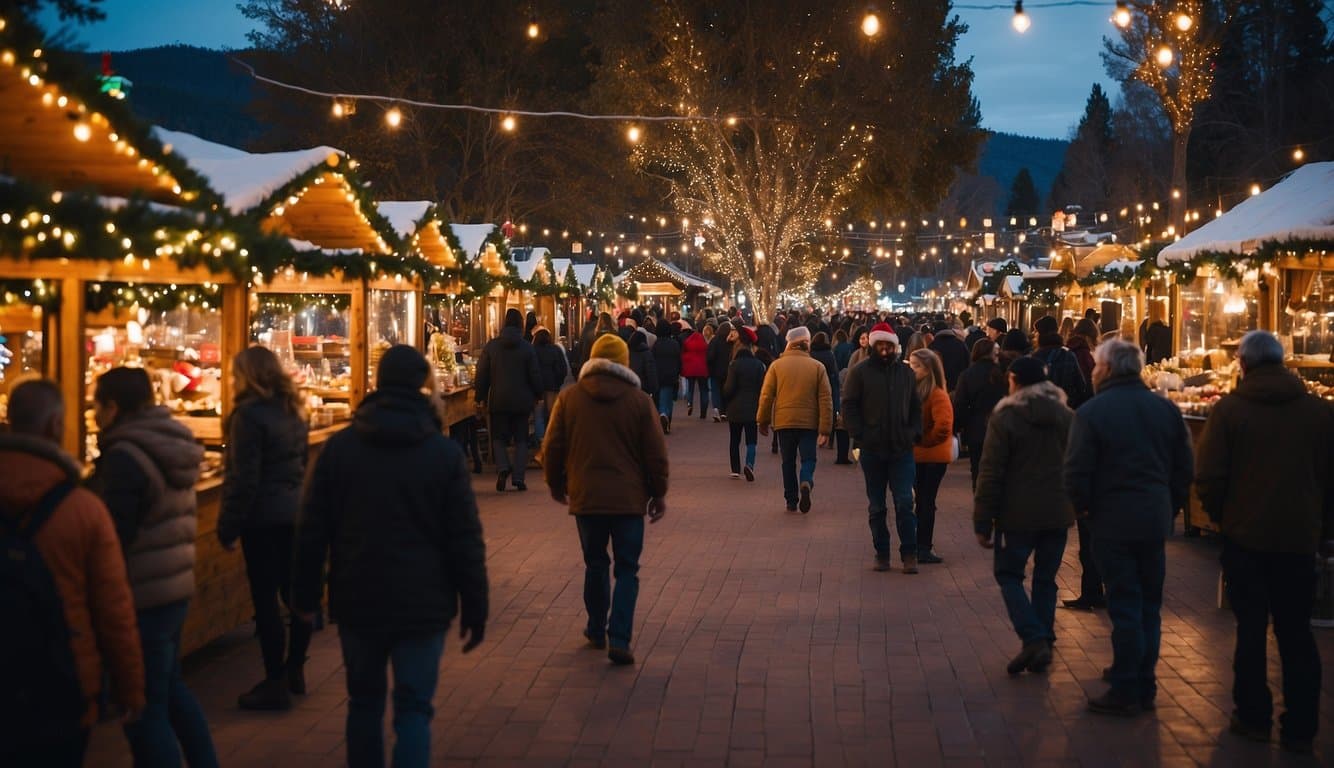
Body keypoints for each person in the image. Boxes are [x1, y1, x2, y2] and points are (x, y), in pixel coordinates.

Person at [294, 345, 488, 768]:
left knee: (363, 704)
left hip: (358, 595)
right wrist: (475, 604)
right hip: (424, 601)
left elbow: (312, 532)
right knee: (414, 709)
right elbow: (465, 539)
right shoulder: (443, 455)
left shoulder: (340, 450)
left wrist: (306, 599)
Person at [1194, 330, 1334, 753]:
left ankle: (1253, 715)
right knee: (1296, 634)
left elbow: (1210, 478)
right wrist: (1321, 527)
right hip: (1298, 539)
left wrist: (1225, 519)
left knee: (1250, 629)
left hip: (1245, 539)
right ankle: (1301, 726)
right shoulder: (1319, 413)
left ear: (1244, 364)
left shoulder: (1230, 411)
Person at [0, 380, 144, 768]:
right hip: (62, 682)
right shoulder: (83, 510)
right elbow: (113, 610)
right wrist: (129, 688)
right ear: (55, 426)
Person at [88, 367, 218, 767]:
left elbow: (114, 535)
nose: (93, 413)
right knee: (171, 692)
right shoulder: (167, 439)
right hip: (171, 588)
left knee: (144, 712)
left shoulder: (126, 455)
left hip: (142, 592)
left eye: (97, 403)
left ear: (113, 407)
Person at [1065, 339, 1193, 716]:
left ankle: (1125, 684)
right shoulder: (1164, 410)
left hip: (1112, 519)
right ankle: (1144, 679)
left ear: (1105, 369)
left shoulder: (1092, 413)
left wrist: (1085, 510)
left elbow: (1076, 471)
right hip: (1153, 517)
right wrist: (1169, 506)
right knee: (1149, 604)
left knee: (1124, 602)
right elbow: (1184, 468)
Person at [541, 334, 669, 666]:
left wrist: (555, 483)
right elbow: (655, 454)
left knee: (596, 563)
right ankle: (620, 636)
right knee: (628, 569)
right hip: (629, 500)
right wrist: (659, 493)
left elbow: (553, 446)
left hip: (587, 496)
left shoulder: (570, 399)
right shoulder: (640, 401)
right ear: (625, 362)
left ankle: (597, 628)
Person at [216, 346, 312, 711]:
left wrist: (227, 527)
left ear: (247, 375)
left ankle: (275, 680)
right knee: (296, 595)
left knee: (267, 602)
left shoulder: (247, 417)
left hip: (263, 519)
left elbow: (244, 478)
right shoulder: (293, 410)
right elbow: (300, 463)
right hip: (295, 514)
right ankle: (295, 668)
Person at [973, 357, 1075, 676]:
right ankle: (1042, 638)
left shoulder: (1006, 417)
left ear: (1014, 379)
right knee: (1046, 578)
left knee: (1009, 574)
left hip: (1016, 512)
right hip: (1057, 511)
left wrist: (982, 519)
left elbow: (991, 471)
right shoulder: (1066, 416)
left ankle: (1033, 638)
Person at [843, 324, 922, 573]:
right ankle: (882, 552)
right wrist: (860, 434)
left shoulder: (906, 373)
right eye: (881, 346)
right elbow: (849, 406)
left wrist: (913, 433)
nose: (885, 351)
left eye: (889, 346)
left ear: (895, 346)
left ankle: (909, 552)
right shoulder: (860, 373)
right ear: (874, 346)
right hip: (872, 449)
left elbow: (915, 407)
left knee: (904, 501)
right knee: (877, 506)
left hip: (901, 449)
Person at [757, 326, 834, 514]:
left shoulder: (776, 366)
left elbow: (767, 395)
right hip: (808, 423)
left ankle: (791, 499)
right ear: (806, 344)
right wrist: (825, 429)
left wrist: (763, 420)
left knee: (788, 462)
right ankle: (806, 479)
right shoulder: (817, 367)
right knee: (808, 458)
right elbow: (826, 400)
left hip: (784, 422)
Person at [474, 307, 543, 492]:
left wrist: (479, 396)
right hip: (522, 400)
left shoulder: (492, 346)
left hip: (499, 400)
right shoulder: (527, 347)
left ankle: (503, 467)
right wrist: (538, 394)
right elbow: (534, 374)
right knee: (521, 438)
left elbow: (482, 373)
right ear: (521, 324)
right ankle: (519, 478)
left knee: (498, 437)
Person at [909, 349, 953, 564]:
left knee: (926, 501)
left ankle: (923, 546)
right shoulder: (914, 391)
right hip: (918, 456)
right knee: (923, 501)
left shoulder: (936, 394)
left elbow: (943, 425)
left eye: (916, 366)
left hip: (933, 457)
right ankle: (921, 545)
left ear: (928, 370)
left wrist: (923, 440)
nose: (912, 369)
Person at [953, 339, 1008, 489]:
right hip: (1002, 426)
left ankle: (980, 499)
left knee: (977, 467)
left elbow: (960, 404)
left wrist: (958, 427)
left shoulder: (968, 375)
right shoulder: (1002, 373)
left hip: (976, 428)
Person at [724, 327, 767, 481]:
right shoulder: (758, 365)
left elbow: (728, 388)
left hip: (735, 408)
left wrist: (726, 399)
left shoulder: (734, 365)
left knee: (734, 440)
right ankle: (749, 463)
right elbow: (763, 387)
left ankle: (735, 469)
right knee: (751, 440)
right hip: (752, 408)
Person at [1031, 315, 1089, 409]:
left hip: (1040, 410)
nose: (1034, 334)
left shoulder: (1035, 357)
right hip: (1065, 408)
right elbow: (1081, 386)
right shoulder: (1069, 355)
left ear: (1040, 334)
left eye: (1036, 332)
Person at [532, 325, 570, 444]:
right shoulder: (556, 349)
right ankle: (551, 441)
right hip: (553, 387)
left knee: (538, 416)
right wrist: (558, 382)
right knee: (552, 415)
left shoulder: (533, 351)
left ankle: (541, 442)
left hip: (537, 387)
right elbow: (563, 369)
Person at [652, 319, 682, 434]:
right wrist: (678, 372)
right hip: (671, 375)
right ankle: (666, 416)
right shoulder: (674, 344)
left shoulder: (656, 344)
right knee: (668, 399)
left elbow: (652, 360)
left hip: (658, 375)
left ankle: (661, 415)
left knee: (659, 398)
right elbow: (678, 360)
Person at [707, 321, 737, 421]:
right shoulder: (731, 342)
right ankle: (724, 411)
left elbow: (710, 356)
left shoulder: (714, 340)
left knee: (715, 390)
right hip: (728, 370)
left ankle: (716, 409)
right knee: (725, 390)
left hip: (715, 370)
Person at [927, 322, 970, 391]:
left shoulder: (932, 346)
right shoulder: (960, 344)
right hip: (958, 385)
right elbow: (967, 363)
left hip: (938, 386)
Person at [681, 321, 710, 418]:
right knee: (703, 390)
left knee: (690, 388)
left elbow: (684, 353)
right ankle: (703, 412)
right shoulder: (704, 341)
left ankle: (689, 403)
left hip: (690, 368)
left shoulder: (688, 341)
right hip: (702, 368)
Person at [627, 325, 659, 397]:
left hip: (629, 388)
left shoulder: (626, 352)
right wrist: (653, 389)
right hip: (643, 390)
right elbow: (651, 372)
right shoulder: (647, 353)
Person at [1142, 300, 1172, 365]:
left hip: (1154, 361)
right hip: (1167, 361)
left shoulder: (1147, 325)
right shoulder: (1166, 327)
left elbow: (1143, 345)